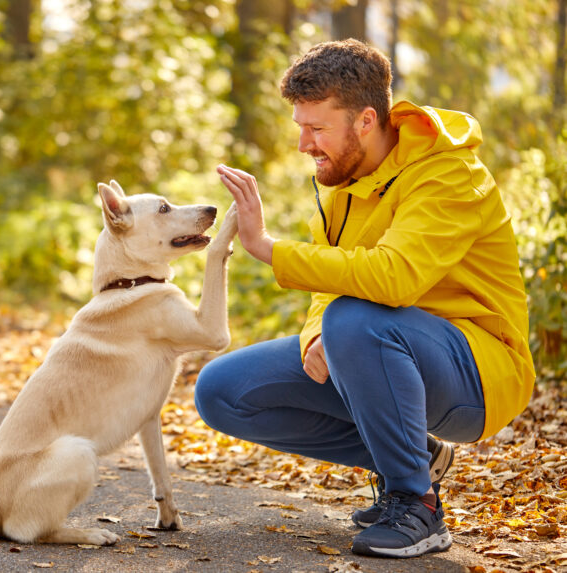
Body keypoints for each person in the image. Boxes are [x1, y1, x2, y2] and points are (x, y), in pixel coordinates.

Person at [194, 39, 535, 558]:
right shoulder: (342, 188)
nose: (303, 144)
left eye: (316, 128)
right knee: (221, 390)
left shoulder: (448, 175)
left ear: (366, 121)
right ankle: (415, 458)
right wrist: (316, 336)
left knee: (356, 319)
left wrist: (267, 248)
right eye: (299, 126)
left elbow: (395, 278)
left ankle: (416, 504)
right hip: (381, 352)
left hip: (478, 371)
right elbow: (330, 287)